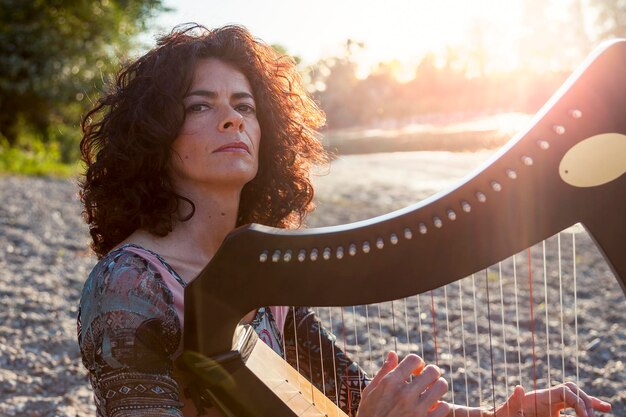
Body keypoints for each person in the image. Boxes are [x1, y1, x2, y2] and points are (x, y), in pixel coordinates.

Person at [77, 24, 612, 417]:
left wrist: (503, 415)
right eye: (200, 106)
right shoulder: (130, 286)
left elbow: (353, 401)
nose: (232, 117)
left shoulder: (260, 274)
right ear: (154, 133)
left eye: (246, 105)